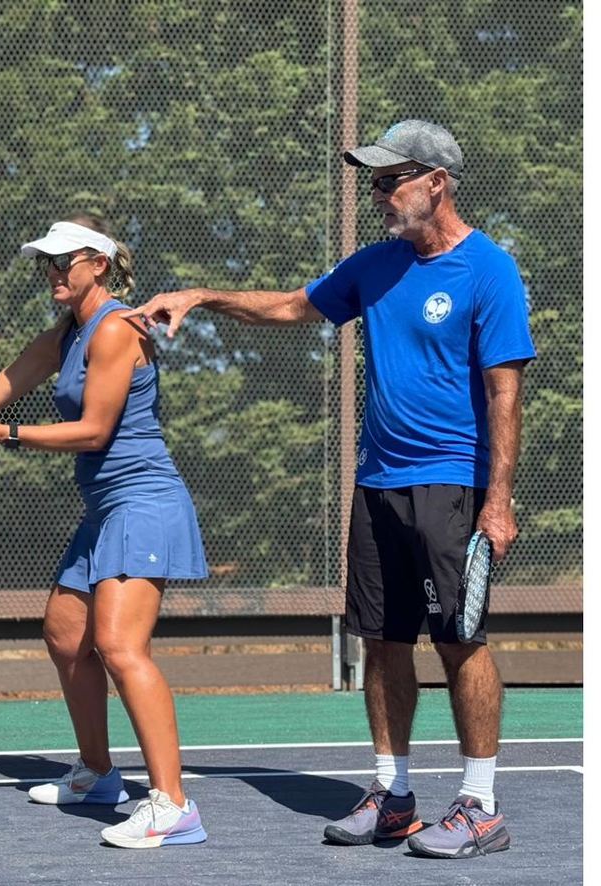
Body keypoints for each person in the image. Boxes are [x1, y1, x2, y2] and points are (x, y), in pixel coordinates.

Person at [123, 120, 534, 859]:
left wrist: (498, 501)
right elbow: (291, 306)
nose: (376, 194)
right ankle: (392, 794)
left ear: (435, 182)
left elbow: (506, 394)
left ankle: (480, 804)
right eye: (372, 181)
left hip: (452, 484)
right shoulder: (375, 267)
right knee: (380, 642)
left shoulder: (489, 270)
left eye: (389, 180)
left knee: (458, 640)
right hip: (378, 484)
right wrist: (200, 297)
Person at [0, 215, 210, 850]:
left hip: (143, 502)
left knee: (120, 648)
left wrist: (4, 436)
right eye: (47, 261)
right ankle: (96, 773)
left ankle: (174, 805)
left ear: (98, 263)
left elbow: (94, 431)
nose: (53, 272)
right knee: (67, 637)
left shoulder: (116, 330)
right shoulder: (66, 335)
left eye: (65, 260)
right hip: (104, 509)